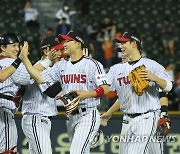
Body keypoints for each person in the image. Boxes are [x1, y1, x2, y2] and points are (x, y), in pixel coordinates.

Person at [19, 30, 109, 154]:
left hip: (88, 113)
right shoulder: (60, 65)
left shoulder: (92, 64)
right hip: (71, 116)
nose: (64, 44)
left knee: (77, 151)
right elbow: (40, 78)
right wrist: (25, 60)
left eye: (68, 41)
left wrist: (87, 94)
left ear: (78, 44)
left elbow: (106, 88)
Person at [103, 30, 173, 154]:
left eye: (124, 43)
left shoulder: (151, 65)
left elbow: (168, 87)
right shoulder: (117, 69)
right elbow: (115, 93)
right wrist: (109, 113)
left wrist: (155, 79)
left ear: (134, 44)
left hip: (147, 117)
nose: (120, 47)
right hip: (127, 119)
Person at [21, 35, 63, 154]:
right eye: (57, 50)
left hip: (41, 119)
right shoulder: (39, 68)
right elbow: (51, 91)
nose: (60, 53)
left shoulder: (51, 67)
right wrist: (66, 81)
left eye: (61, 49)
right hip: (35, 118)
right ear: (46, 50)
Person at [0, 33, 30, 153]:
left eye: (18, 45)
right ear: (3, 47)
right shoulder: (10, 63)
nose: (17, 49)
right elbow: (31, 78)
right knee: (8, 150)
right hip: (3, 110)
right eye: (13, 45)